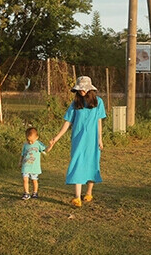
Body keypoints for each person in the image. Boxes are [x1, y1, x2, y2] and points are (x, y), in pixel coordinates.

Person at [48, 76, 106, 207]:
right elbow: (68, 122)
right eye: (79, 89)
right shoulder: (75, 104)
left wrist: (100, 139)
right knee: (77, 164)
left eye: (83, 89)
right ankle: (77, 197)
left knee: (92, 164)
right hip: (78, 140)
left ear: (90, 89)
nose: (81, 92)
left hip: (92, 140)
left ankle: (89, 192)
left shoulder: (99, 102)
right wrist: (56, 138)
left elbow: (99, 122)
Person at [19, 127, 48, 200]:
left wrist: (51, 144)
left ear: (37, 137)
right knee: (25, 179)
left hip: (34, 167)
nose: (30, 142)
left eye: (31, 140)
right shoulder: (25, 145)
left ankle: (35, 192)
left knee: (34, 180)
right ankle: (26, 193)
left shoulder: (38, 144)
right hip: (26, 166)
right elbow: (22, 154)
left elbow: (46, 150)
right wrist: (20, 162)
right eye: (28, 140)